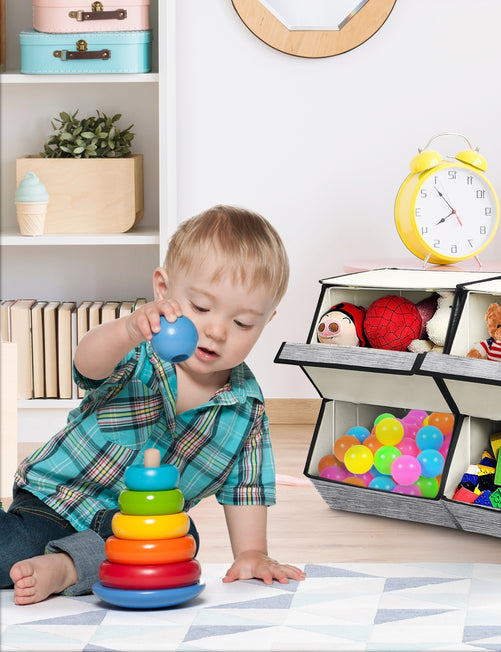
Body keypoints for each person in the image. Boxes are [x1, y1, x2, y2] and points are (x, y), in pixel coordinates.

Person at [0, 205, 305, 605]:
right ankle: (56, 558)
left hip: (131, 531)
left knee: (183, 540)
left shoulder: (246, 409)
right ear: (164, 290)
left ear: (266, 322)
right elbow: (85, 364)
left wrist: (251, 554)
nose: (216, 330)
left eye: (243, 323)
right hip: (55, 501)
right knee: (11, 547)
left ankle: (66, 568)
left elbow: (246, 489)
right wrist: (127, 329)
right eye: (200, 308)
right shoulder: (140, 351)